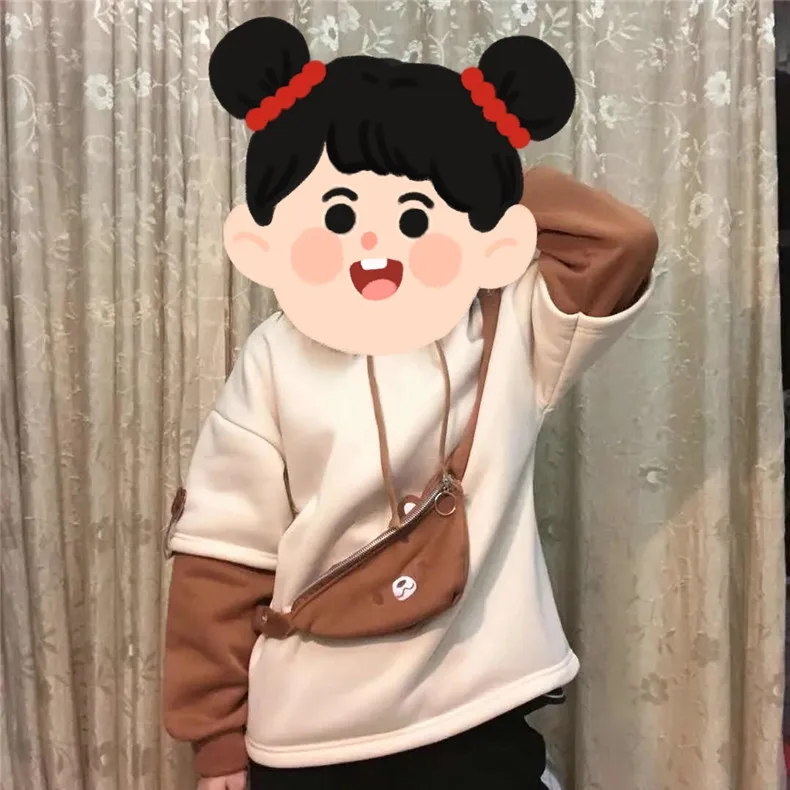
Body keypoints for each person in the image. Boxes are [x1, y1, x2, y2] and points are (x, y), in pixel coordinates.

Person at [162, 16, 658, 790]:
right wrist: (216, 738)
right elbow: (225, 550)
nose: (374, 244)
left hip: (478, 710)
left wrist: (471, 166)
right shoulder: (274, 355)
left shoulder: (507, 326)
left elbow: (619, 242)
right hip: (313, 729)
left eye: (413, 218)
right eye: (338, 213)